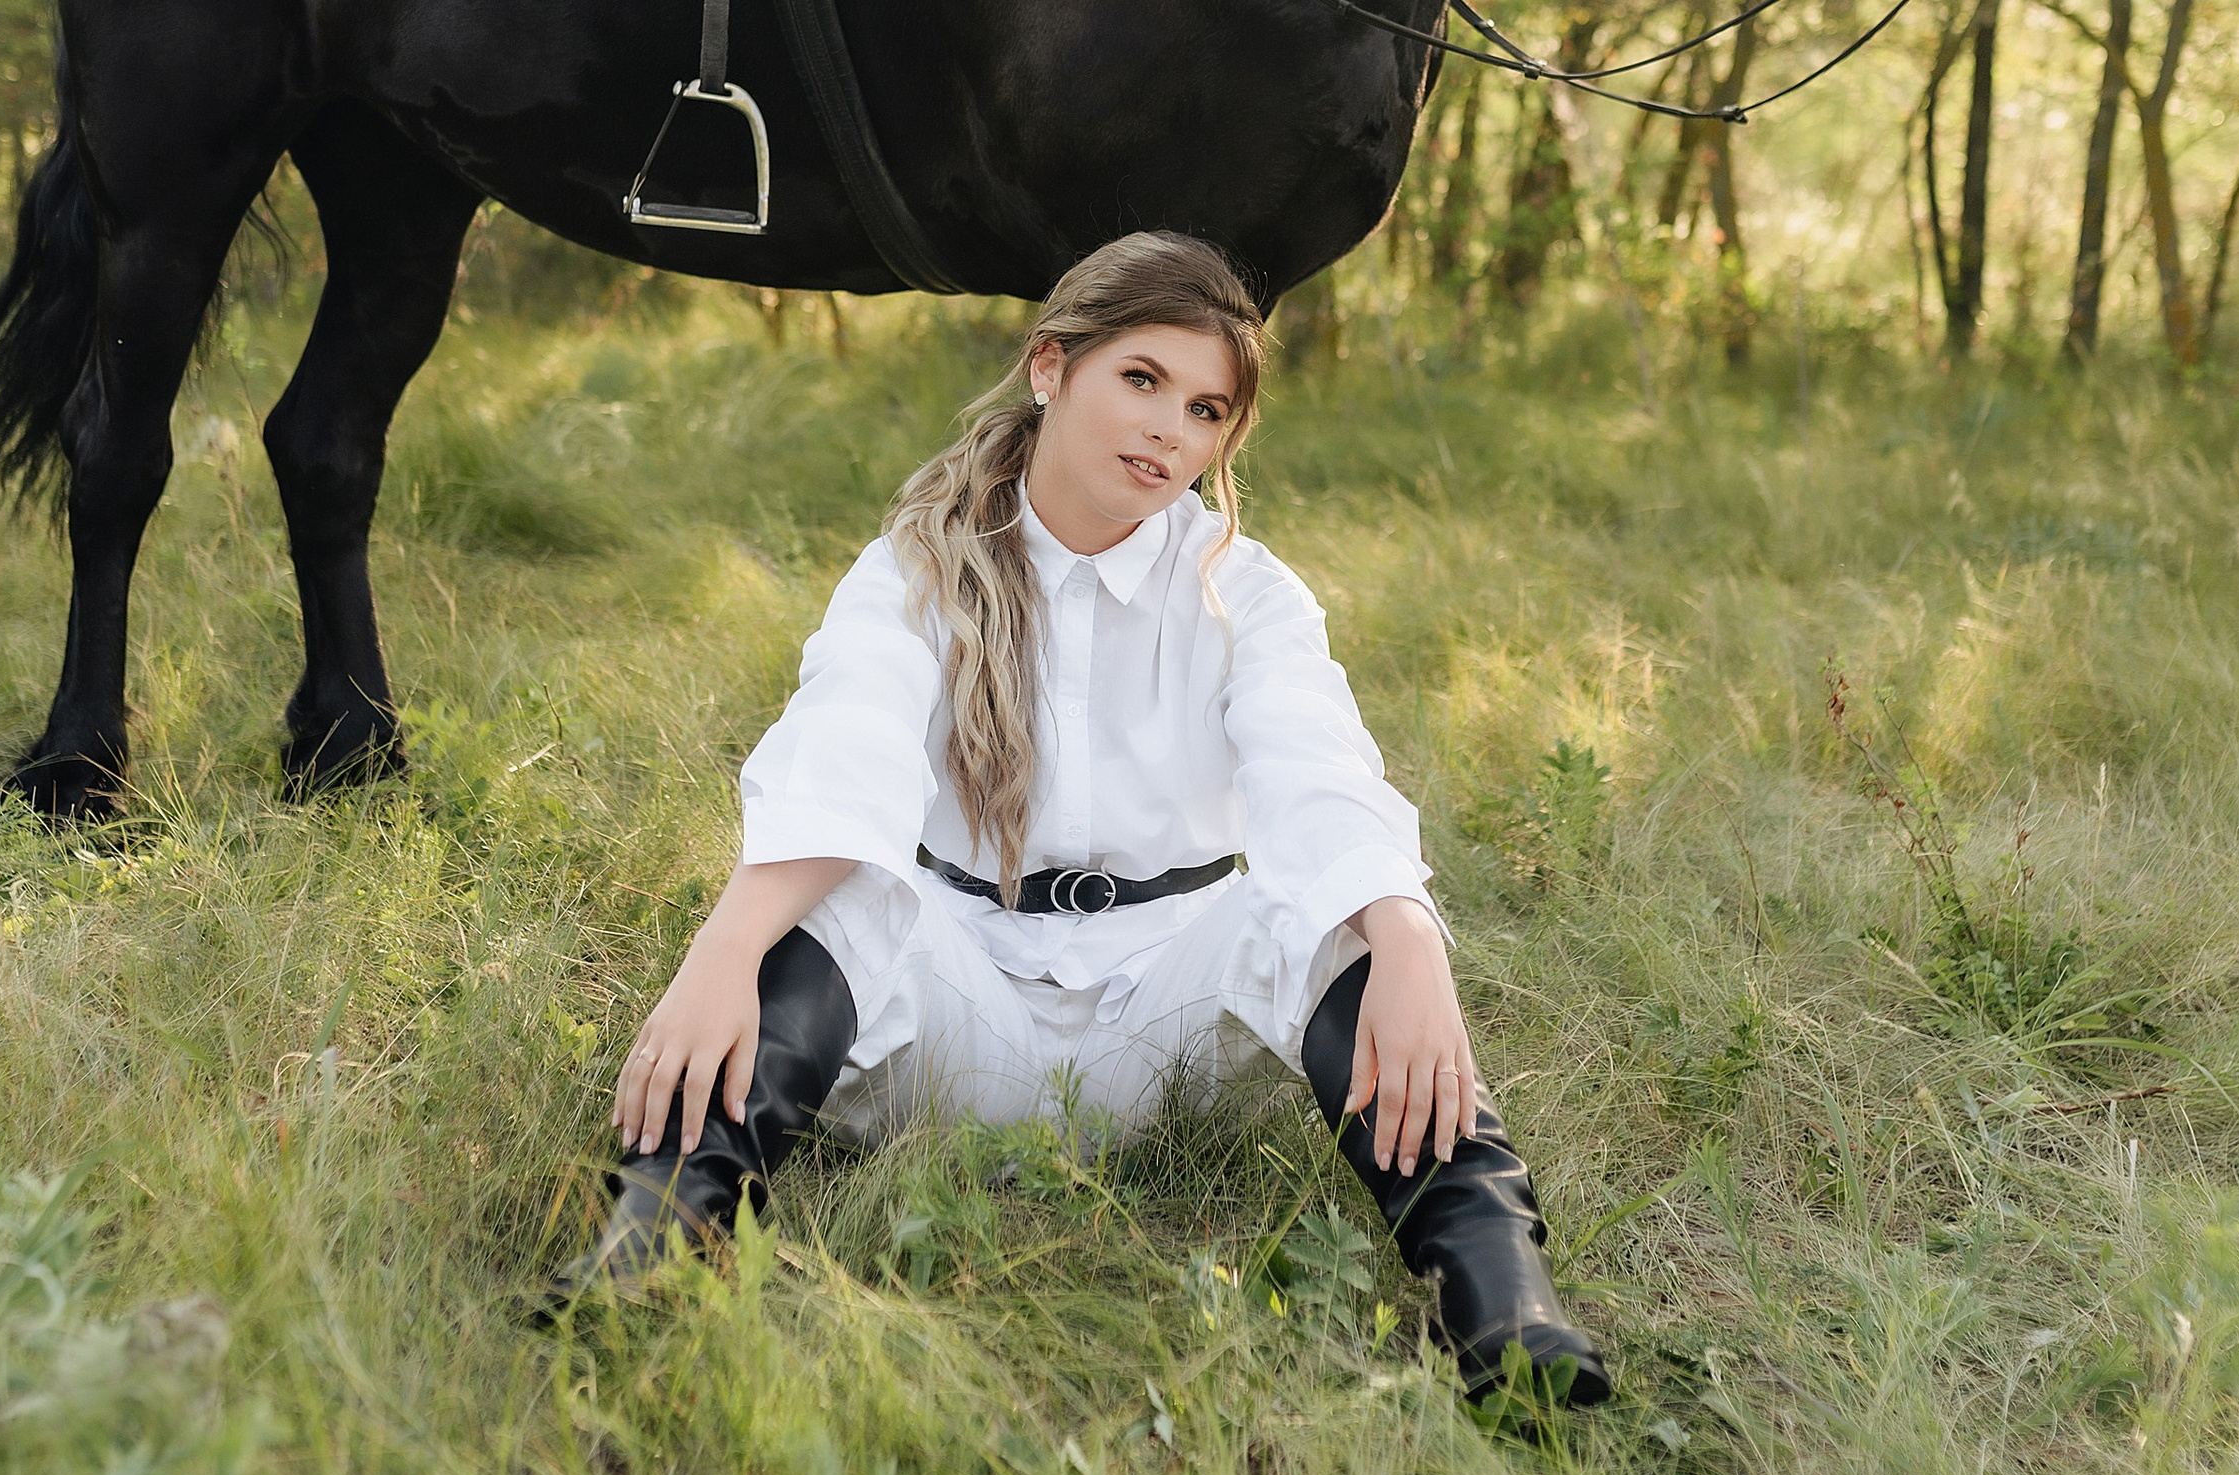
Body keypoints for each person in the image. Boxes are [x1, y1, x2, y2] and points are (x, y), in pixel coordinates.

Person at [547, 230, 1605, 1406]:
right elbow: (846, 749)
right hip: (960, 1008)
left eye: (1205, 410)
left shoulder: (1241, 586)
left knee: (1329, 917)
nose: (1168, 430)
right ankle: (651, 1248)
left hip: (1167, 1016)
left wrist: (1406, 940)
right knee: (847, 893)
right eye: (1141, 380)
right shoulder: (922, 560)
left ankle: (1503, 1311)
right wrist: (724, 949)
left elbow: (1314, 765)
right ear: (1051, 365)